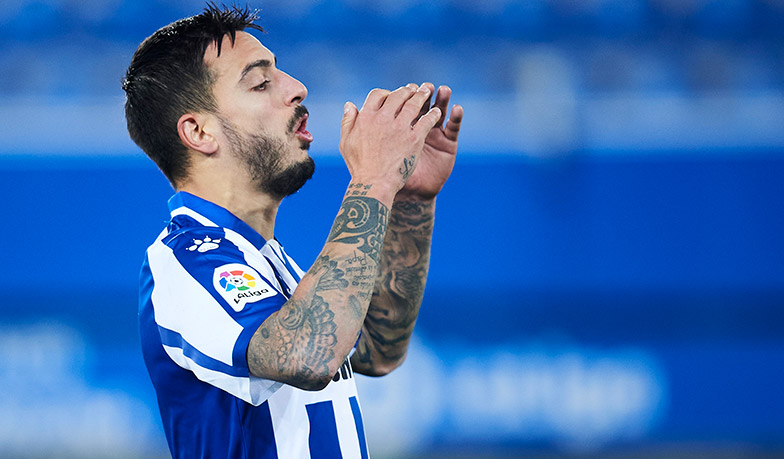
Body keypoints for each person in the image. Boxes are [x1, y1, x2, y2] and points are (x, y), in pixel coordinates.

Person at [122, 4, 462, 458]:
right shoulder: (185, 262)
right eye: (260, 83)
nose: (297, 87)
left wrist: (409, 199)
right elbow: (309, 354)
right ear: (200, 132)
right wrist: (374, 179)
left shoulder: (265, 259)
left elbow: (378, 349)